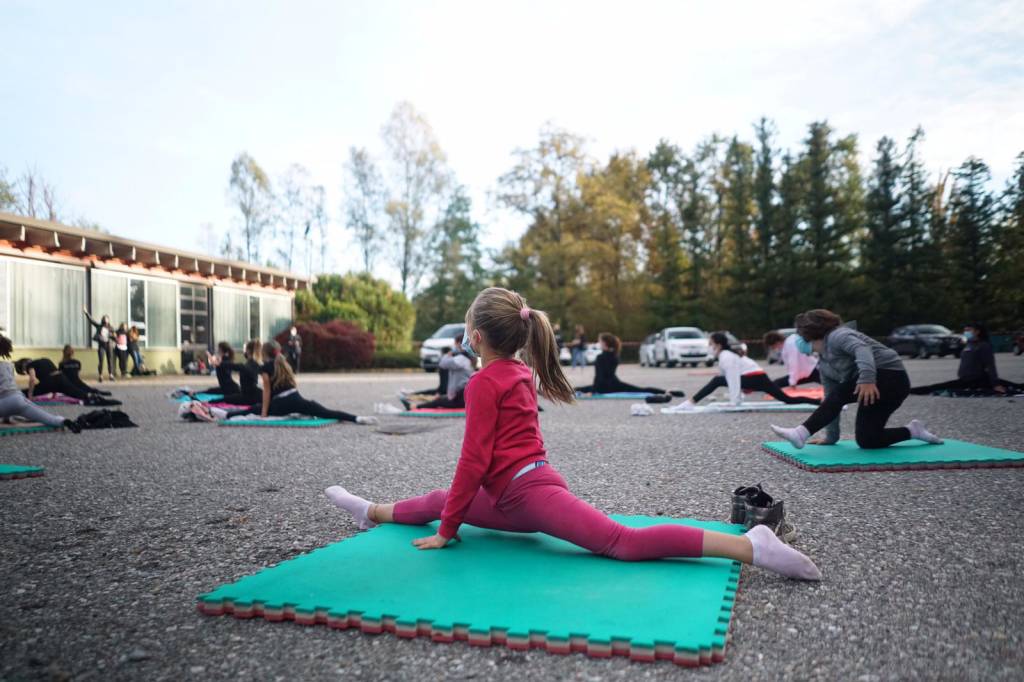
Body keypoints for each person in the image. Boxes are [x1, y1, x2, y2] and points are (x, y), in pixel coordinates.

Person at [324, 287, 820, 581]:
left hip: (530, 495)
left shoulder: (484, 383)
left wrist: (447, 531)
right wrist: (450, 513)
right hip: (512, 496)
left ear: (474, 338)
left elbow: (473, 462)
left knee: (622, 542)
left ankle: (752, 545)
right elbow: (477, 471)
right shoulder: (516, 371)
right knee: (439, 498)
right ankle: (370, 512)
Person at [770, 309, 942, 449]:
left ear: (813, 334)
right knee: (868, 439)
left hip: (892, 377)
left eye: (803, 338)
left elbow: (862, 349)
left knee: (840, 392)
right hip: (874, 388)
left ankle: (800, 433)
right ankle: (913, 431)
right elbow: (831, 400)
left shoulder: (838, 335)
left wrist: (866, 380)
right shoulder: (824, 363)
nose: (801, 343)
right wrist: (831, 437)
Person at [227, 340, 377, 424]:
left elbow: (267, 391)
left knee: (255, 408)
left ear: (264, 354)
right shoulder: (284, 364)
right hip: (296, 399)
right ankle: (357, 418)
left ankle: (226, 415)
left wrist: (264, 414)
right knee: (325, 412)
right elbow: (292, 386)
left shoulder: (265, 367)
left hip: (281, 404)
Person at [666, 332, 821, 412]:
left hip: (756, 377)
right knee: (787, 399)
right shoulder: (725, 355)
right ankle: (818, 402)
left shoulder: (726, 356)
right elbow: (732, 378)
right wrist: (738, 397)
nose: (709, 346)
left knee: (717, 381)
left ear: (718, 345)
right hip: (757, 377)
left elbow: (733, 379)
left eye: (711, 344)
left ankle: (690, 403)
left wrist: (734, 402)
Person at [910, 323, 1023, 395]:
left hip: (978, 379)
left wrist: (995, 384)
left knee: (1015, 387)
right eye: (965, 330)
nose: (966, 332)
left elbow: (990, 365)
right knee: (937, 387)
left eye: (969, 330)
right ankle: (910, 390)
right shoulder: (969, 344)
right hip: (965, 379)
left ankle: (910, 391)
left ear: (977, 331)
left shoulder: (984, 345)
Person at [0, 334, 81, 433]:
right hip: (19, 400)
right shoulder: (8, 366)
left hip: (4, 403)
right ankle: (63, 421)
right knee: (48, 417)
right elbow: (7, 389)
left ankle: (8, 415)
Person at [575, 333, 674, 396]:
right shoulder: (615, 356)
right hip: (615, 384)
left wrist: (593, 391)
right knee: (640, 390)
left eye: (600, 341)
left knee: (578, 389)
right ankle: (666, 391)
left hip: (603, 387)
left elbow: (599, 377)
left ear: (605, 343)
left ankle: (566, 392)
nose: (599, 343)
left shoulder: (600, 357)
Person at [401, 336, 474, 411]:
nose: (454, 346)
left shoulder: (462, 359)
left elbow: (442, 363)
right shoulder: (464, 358)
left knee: (438, 401)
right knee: (439, 399)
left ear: (459, 344)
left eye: (455, 343)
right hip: (460, 396)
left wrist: (448, 355)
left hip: (461, 397)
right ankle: (414, 404)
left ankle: (413, 407)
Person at [15, 356, 120, 406]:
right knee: (77, 393)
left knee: (24, 392)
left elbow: (32, 380)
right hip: (61, 378)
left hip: (50, 382)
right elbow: (52, 373)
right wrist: (54, 393)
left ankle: (12, 395)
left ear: (23, 366)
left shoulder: (30, 365)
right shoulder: (45, 359)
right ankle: (98, 399)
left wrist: (30, 395)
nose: (25, 372)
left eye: (23, 371)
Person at [218, 339, 264, 406]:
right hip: (250, 395)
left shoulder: (252, 364)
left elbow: (239, 367)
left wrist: (220, 363)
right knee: (222, 399)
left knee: (219, 400)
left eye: (245, 349)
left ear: (248, 350)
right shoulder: (253, 363)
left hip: (250, 397)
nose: (244, 351)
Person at [83, 307, 115, 382]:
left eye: (107, 318)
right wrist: (86, 313)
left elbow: (114, 337)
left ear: (108, 320)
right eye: (104, 318)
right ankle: (100, 375)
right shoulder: (99, 326)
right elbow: (92, 321)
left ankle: (111, 375)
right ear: (103, 320)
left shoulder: (111, 328)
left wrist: (113, 336)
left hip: (109, 345)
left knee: (110, 360)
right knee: (101, 360)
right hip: (102, 345)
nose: (106, 320)